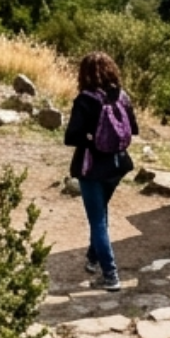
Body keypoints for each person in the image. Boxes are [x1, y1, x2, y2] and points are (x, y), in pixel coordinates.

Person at [65, 51, 137, 291]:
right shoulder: (122, 96)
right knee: (101, 213)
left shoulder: (85, 100)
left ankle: (110, 274)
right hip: (117, 166)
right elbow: (133, 129)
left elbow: (71, 137)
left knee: (97, 221)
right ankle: (93, 258)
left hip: (91, 167)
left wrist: (88, 137)